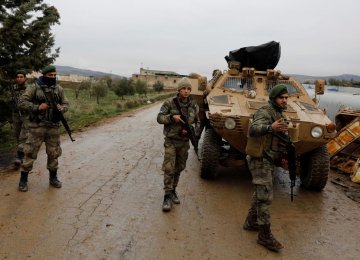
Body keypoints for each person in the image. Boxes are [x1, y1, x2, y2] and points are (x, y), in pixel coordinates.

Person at [243, 84, 290, 252]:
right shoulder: (265, 111)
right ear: (274, 99)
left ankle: (251, 221)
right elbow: (253, 129)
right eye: (281, 98)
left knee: (260, 193)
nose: (285, 100)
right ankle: (264, 235)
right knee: (266, 197)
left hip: (268, 158)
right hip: (259, 159)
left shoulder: (279, 113)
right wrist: (271, 127)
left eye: (286, 97)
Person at [17, 65, 69, 192]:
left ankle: (53, 178)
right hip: (37, 127)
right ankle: (23, 180)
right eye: (50, 75)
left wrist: (63, 108)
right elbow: (21, 102)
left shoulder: (59, 89)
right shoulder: (34, 87)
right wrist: (37, 107)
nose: (53, 77)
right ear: (44, 75)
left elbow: (66, 103)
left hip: (53, 127)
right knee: (29, 153)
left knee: (54, 153)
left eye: (54, 75)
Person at [157, 77, 199, 212]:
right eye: (183, 89)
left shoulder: (194, 106)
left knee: (179, 167)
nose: (186, 91)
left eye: (188, 89)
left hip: (184, 142)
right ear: (179, 89)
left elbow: (198, 122)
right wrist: (171, 118)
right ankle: (167, 196)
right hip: (171, 141)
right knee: (169, 167)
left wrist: (193, 132)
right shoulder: (170, 103)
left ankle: (174, 190)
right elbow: (159, 118)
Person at [9, 70, 31, 168]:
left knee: (23, 135)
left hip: (27, 115)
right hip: (16, 115)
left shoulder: (30, 89)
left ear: (25, 78)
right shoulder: (13, 88)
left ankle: (19, 156)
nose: (19, 78)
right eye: (17, 77)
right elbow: (8, 100)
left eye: (21, 77)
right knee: (17, 134)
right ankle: (23, 152)